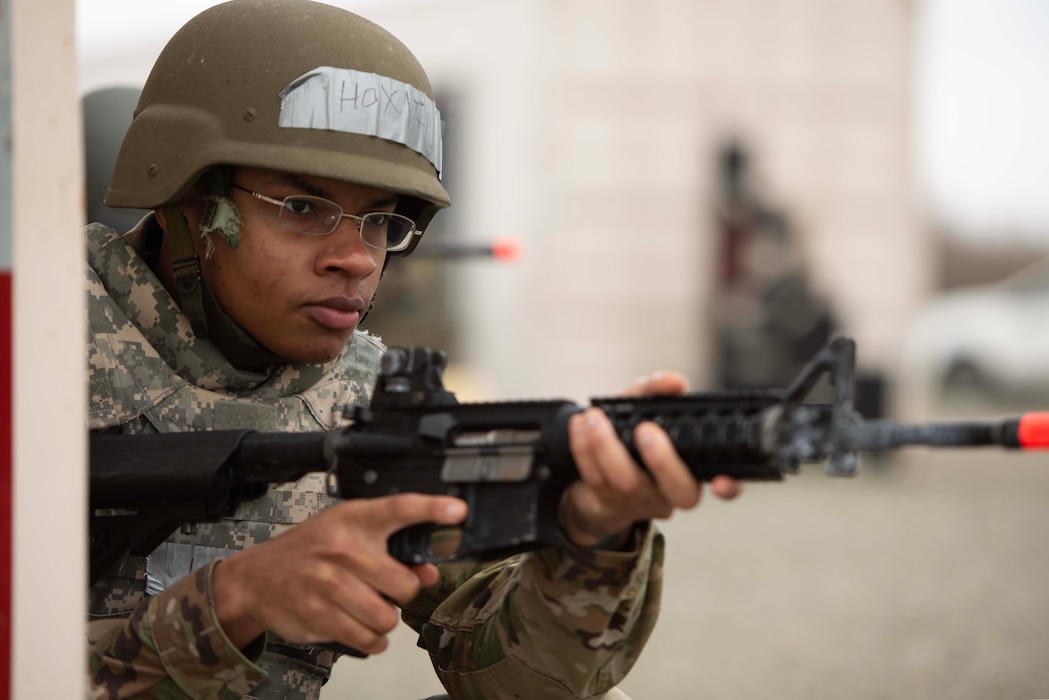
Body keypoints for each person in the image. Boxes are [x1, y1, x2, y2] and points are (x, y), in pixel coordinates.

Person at [85, 1, 742, 698]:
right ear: (188, 201)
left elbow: (519, 683)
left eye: (380, 220)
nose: (356, 259)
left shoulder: (366, 401)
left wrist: (589, 537)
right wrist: (233, 598)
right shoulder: (33, 350)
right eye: (302, 208)